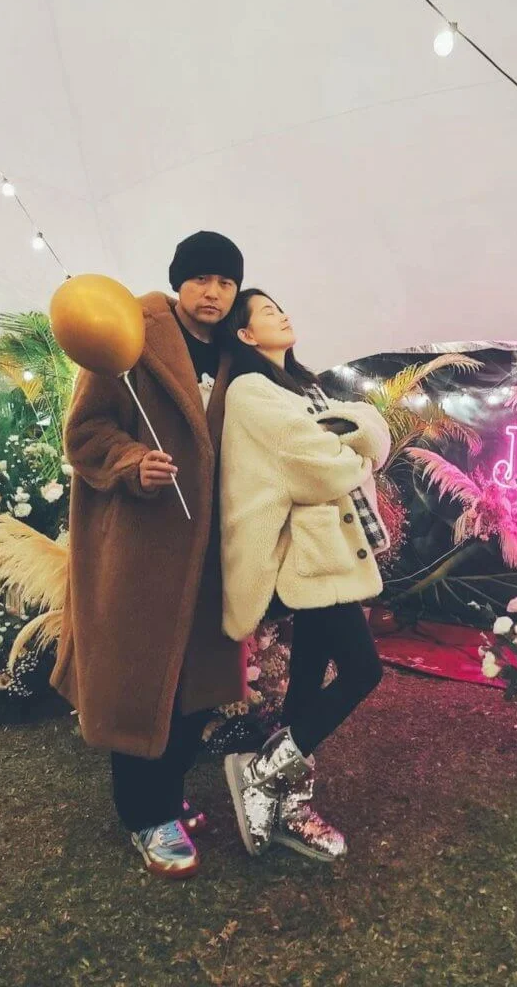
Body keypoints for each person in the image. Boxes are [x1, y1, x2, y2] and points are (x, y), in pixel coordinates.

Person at [52, 231, 250, 879]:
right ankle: (145, 815)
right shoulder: (125, 332)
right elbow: (85, 432)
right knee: (141, 683)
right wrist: (133, 463)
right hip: (141, 550)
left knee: (196, 683)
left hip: (211, 549)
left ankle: (167, 794)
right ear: (178, 281)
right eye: (201, 279)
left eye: (225, 281)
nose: (213, 292)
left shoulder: (236, 350)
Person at [219, 288, 391, 862]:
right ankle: (263, 772)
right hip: (305, 556)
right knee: (363, 670)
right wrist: (353, 450)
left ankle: (290, 803)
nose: (283, 314)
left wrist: (352, 442)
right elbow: (318, 469)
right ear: (245, 335)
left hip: (327, 552)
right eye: (268, 312)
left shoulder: (305, 387)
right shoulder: (250, 390)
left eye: (281, 307)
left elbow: (374, 432)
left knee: (306, 681)